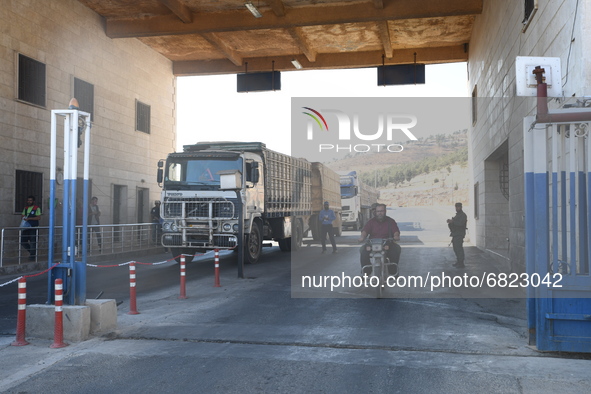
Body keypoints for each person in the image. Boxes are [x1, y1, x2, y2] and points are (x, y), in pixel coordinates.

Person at [358, 203, 401, 276]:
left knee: (396, 250)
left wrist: (396, 236)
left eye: (381, 211)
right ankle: (366, 273)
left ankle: (393, 272)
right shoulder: (371, 222)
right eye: (378, 211)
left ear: (385, 211)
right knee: (363, 251)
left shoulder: (391, 221)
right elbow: (365, 230)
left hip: (387, 243)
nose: (380, 213)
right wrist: (362, 237)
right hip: (373, 244)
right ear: (375, 212)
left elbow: (396, 231)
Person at [20, 195, 42, 260]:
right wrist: (24, 217)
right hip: (26, 227)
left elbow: (38, 217)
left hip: (33, 227)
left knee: (33, 241)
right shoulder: (26, 208)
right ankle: (33, 253)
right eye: (28, 200)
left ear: (33, 201)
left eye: (30, 200)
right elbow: (22, 215)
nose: (29, 201)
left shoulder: (36, 208)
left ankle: (32, 256)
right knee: (23, 241)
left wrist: (29, 218)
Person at [447, 202, 467, 268]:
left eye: (458, 207)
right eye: (456, 207)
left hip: (459, 234)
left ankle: (461, 263)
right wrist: (450, 222)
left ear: (461, 207)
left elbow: (460, 224)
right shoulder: (457, 215)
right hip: (455, 234)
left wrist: (453, 221)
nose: (457, 208)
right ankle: (459, 261)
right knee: (456, 248)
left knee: (459, 248)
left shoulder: (463, 215)